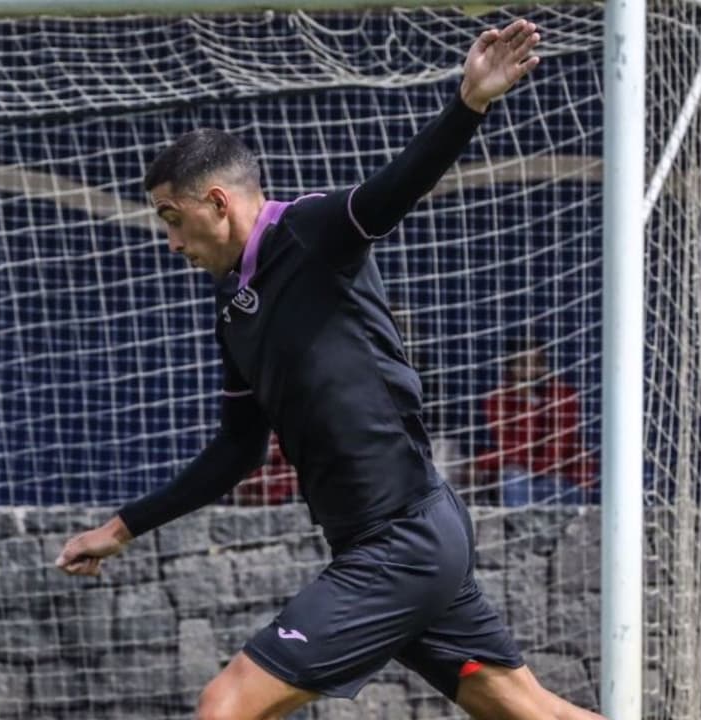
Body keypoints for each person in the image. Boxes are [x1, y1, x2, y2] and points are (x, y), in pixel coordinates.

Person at [54, 19, 606, 720]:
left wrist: (469, 103)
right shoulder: (233, 308)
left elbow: (393, 190)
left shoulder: (310, 232)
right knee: (535, 714)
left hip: (400, 541)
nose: (169, 241)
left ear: (217, 204)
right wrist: (123, 527)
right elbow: (236, 452)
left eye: (171, 218)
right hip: (400, 542)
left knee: (224, 705)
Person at [476, 337, 598, 505]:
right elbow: (514, 449)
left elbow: (560, 449)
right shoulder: (496, 400)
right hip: (522, 475)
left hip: (560, 475)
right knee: (514, 478)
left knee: (553, 485)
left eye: (539, 362)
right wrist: (529, 405)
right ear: (511, 367)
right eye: (524, 363)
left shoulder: (564, 395)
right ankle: (524, 530)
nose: (532, 370)